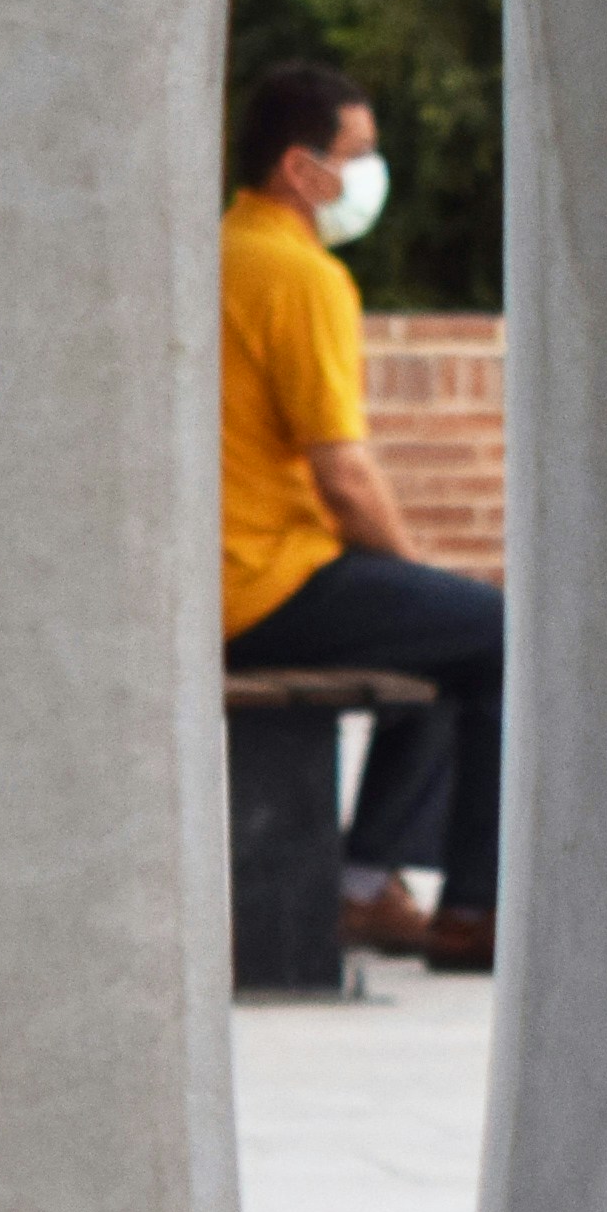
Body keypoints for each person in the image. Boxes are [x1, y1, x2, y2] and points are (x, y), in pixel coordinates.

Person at [219, 59, 502, 969]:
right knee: (499, 633)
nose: (372, 173)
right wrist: (412, 567)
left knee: (442, 628)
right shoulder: (300, 276)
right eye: (360, 153)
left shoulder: (223, 250)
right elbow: (344, 474)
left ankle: (369, 883)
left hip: (223, 578)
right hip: (265, 581)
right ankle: (472, 912)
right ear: (301, 169)